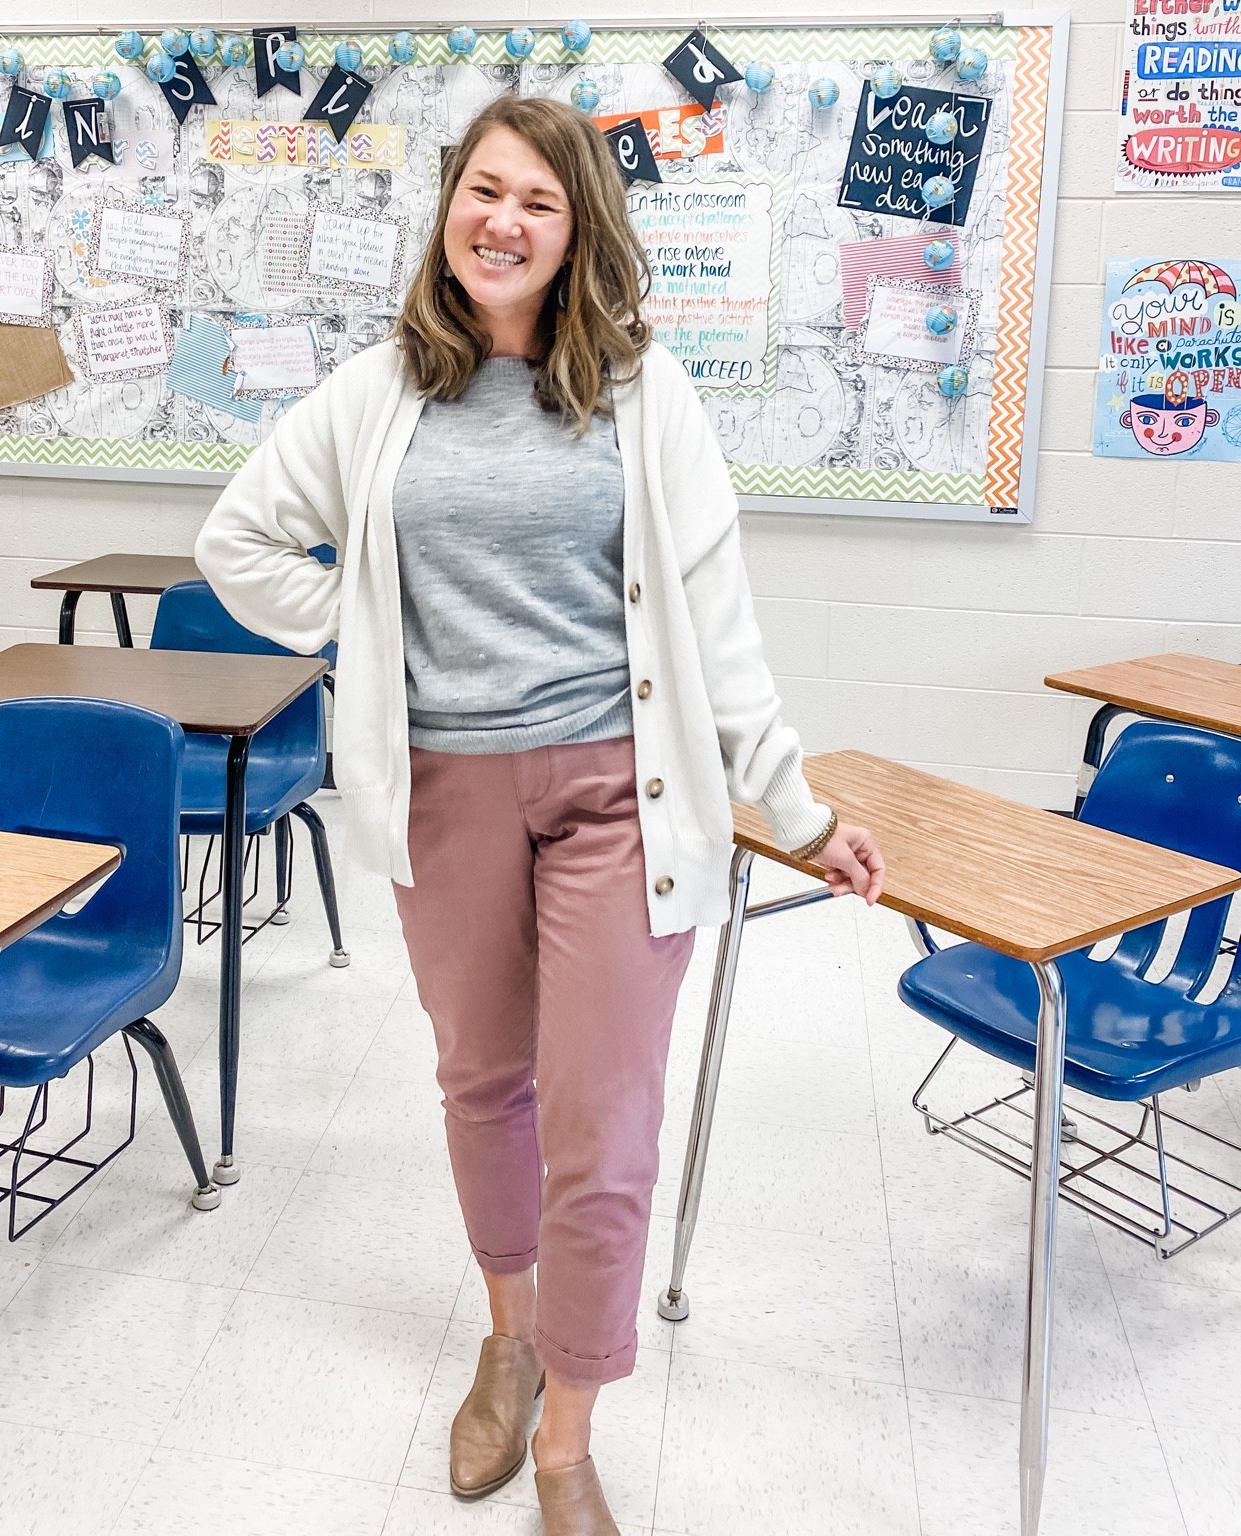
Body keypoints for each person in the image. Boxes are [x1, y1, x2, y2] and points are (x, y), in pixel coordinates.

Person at [196, 94, 884, 1536]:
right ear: (451, 207)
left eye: (538, 203)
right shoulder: (379, 388)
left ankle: (569, 1432)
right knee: (481, 1083)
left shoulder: (644, 395)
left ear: (580, 235)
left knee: (602, 1120)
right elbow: (238, 540)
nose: (501, 221)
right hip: (442, 791)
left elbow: (715, 623)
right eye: (482, 191)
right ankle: (507, 1340)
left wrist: (798, 806)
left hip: (613, 796)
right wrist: (363, 625)